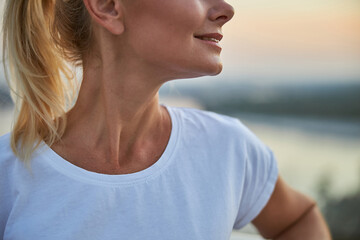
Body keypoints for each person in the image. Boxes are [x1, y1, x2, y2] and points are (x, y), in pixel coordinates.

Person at [0, 0, 331, 239]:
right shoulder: (7, 174)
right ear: (108, 6)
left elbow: (298, 220)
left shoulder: (228, 149)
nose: (226, 9)